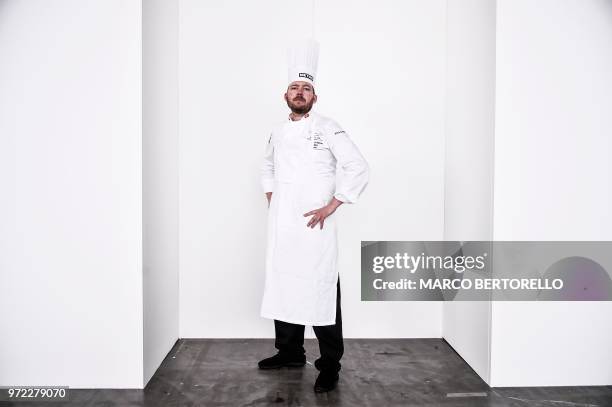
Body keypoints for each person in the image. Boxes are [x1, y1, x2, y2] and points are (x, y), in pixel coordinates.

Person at [257, 39, 369, 393]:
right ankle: (289, 351)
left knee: (321, 288)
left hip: (315, 225)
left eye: (307, 88)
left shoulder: (327, 126)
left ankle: (330, 363)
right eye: (295, 87)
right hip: (283, 224)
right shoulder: (277, 131)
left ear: (315, 97)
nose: (300, 92)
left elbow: (357, 166)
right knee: (284, 281)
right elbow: (267, 166)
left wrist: (332, 204)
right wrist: (274, 198)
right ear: (285, 94)